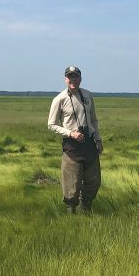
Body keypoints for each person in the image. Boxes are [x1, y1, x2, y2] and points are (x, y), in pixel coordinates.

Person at [47, 65, 103, 213]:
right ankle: (71, 212)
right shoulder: (59, 99)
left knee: (94, 180)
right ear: (66, 79)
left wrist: (98, 139)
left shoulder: (88, 95)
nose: (73, 80)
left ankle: (86, 208)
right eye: (70, 77)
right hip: (72, 146)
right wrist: (70, 133)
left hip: (89, 143)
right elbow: (51, 125)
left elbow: (94, 120)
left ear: (80, 79)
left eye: (76, 76)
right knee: (71, 183)